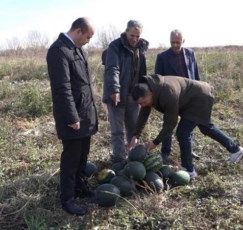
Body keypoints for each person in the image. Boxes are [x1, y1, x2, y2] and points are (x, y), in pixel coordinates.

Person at [129, 75, 243, 179]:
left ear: (150, 94)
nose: (143, 105)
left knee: (182, 132)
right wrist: (136, 135)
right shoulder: (149, 89)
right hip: (191, 99)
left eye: (144, 102)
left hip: (200, 98)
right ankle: (236, 150)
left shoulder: (167, 92)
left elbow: (170, 123)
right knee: (206, 127)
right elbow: (144, 114)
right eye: (140, 104)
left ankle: (188, 169)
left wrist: (155, 142)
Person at [46, 17, 98, 216]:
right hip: (73, 117)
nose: (88, 41)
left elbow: (84, 85)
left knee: (83, 155)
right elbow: (62, 88)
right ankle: (67, 199)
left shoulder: (79, 50)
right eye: (88, 36)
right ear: (78, 31)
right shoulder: (58, 51)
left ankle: (80, 187)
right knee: (71, 158)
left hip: (85, 113)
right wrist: (71, 117)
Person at [102, 20, 149, 163]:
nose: (134, 39)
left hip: (133, 95)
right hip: (116, 94)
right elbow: (112, 68)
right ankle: (119, 159)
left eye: (137, 36)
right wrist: (114, 89)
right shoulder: (115, 47)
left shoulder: (141, 48)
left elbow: (142, 73)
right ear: (126, 32)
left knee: (133, 129)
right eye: (132, 35)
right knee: (118, 131)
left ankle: (134, 158)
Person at [154, 29, 200, 163]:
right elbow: (159, 80)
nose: (175, 45)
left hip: (189, 95)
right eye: (172, 42)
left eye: (178, 42)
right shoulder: (162, 57)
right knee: (169, 124)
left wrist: (198, 92)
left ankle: (188, 149)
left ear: (183, 41)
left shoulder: (191, 54)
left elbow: (196, 75)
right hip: (171, 97)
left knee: (188, 124)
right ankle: (165, 152)